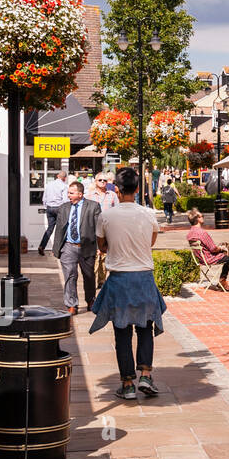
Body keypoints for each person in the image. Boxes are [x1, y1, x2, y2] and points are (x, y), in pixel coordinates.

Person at [90, 168, 165, 401]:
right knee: (145, 329)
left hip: (120, 278)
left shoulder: (106, 216)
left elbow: (102, 246)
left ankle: (128, 383)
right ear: (138, 188)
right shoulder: (148, 214)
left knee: (122, 333)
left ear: (117, 189)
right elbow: (150, 243)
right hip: (143, 277)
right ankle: (145, 374)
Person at [52, 180, 101, 313]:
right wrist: (56, 248)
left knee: (89, 275)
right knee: (70, 275)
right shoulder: (63, 208)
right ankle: (71, 304)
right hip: (68, 247)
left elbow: (99, 228)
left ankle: (91, 300)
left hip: (87, 246)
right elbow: (59, 230)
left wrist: (100, 246)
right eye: (68, 193)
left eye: (71, 193)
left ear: (80, 194)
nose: (68, 195)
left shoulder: (93, 206)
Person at [186, 208, 229, 290]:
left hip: (202, 259)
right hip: (210, 258)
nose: (203, 217)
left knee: (228, 258)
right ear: (197, 219)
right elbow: (213, 249)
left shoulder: (190, 233)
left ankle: (222, 281)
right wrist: (222, 248)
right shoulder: (202, 233)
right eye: (202, 216)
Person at [37, 170, 69, 255]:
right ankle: (56, 250)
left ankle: (42, 246)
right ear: (65, 178)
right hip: (59, 208)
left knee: (50, 228)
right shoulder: (64, 186)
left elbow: (44, 198)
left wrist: (46, 207)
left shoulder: (49, 184)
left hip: (49, 208)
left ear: (57, 176)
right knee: (59, 229)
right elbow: (65, 200)